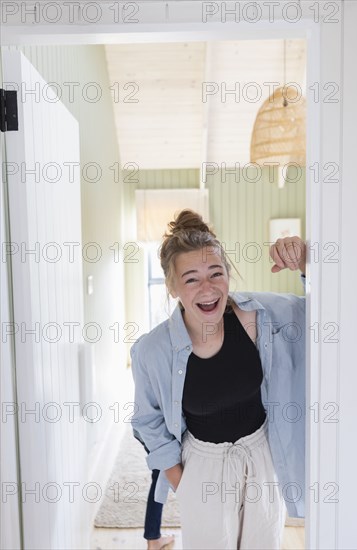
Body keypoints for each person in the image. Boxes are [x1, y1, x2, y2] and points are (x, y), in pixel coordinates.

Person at [131, 209, 306, 550]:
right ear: (172, 286)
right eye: (191, 278)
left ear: (229, 274)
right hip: (203, 467)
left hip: (263, 458)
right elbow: (147, 421)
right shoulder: (152, 351)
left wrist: (306, 264)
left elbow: (323, 312)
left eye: (216, 273)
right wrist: (184, 482)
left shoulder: (260, 318)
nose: (208, 288)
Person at [132, 427, 175, 550]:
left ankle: (153, 538)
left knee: (159, 477)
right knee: (161, 477)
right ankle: (153, 539)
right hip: (158, 435)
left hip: (149, 432)